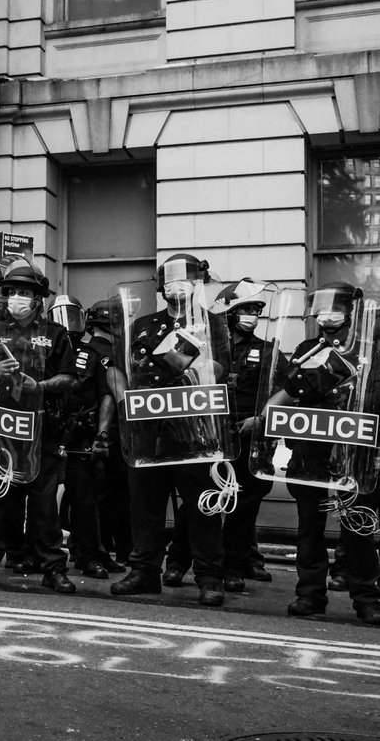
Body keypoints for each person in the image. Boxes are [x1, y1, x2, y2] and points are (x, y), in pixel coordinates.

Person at [255, 282, 380, 626]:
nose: (327, 317)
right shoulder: (308, 349)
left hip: (353, 452)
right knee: (309, 526)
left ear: (349, 312)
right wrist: (266, 416)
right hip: (310, 452)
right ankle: (309, 594)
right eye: (322, 311)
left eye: (335, 310)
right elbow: (288, 392)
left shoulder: (369, 350)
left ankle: (366, 597)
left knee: (357, 527)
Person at [110, 253, 229, 607]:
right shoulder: (143, 324)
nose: (176, 286)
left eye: (185, 279)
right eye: (171, 280)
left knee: (201, 506)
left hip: (194, 431)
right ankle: (144, 571)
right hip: (149, 431)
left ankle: (209, 578)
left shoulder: (212, 325)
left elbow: (219, 369)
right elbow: (117, 369)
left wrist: (197, 370)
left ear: (197, 285)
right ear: (161, 286)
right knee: (145, 504)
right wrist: (124, 405)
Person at [164, 279, 286, 590]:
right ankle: (178, 562)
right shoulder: (203, 343)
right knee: (197, 501)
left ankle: (233, 567)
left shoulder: (267, 350)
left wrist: (260, 420)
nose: (253, 316)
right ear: (228, 313)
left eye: (257, 311)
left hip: (248, 435)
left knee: (242, 507)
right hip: (206, 435)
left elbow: (286, 389)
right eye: (246, 310)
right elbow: (172, 375)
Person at [0, 259, 79, 594]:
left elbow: (70, 379)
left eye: (24, 292)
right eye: (12, 291)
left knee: (44, 506)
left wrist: (39, 387)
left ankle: (53, 568)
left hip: (40, 432)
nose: (17, 298)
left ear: (37, 298)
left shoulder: (55, 334)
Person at [49, 293, 115, 579]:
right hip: (48, 432)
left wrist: (101, 434)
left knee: (84, 500)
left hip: (80, 435)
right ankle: (33, 553)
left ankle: (89, 556)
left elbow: (106, 396)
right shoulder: (45, 348)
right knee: (42, 498)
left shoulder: (94, 355)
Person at [84, 299, 130, 571]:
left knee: (92, 497)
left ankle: (96, 552)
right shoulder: (116, 357)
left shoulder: (82, 350)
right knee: (117, 498)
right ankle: (111, 552)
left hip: (84, 432)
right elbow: (115, 398)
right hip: (111, 434)